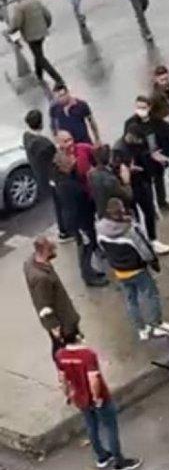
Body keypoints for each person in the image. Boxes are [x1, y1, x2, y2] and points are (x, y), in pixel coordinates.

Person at [55, 329, 141, 470]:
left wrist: (68, 394)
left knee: (91, 426)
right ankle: (119, 462)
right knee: (110, 427)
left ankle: (102, 456)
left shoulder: (60, 355)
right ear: (77, 337)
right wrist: (97, 398)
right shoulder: (88, 355)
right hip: (98, 398)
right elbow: (93, 379)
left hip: (80, 397)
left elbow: (62, 378)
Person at [97, 198, 169, 341]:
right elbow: (143, 249)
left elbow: (103, 248)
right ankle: (157, 324)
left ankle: (141, 329)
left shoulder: (100, 229)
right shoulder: (129, 229)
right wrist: (153, 261)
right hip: (137, 269)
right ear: (121, 210)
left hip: (120, 271)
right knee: (151, 295)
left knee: (130, 300)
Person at [53, 132, 107, 287]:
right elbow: (79, 196)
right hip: (78, 221)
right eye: (70, 162)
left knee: (89, 240)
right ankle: (88, 275)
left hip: (84, 215)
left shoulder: (68, 177)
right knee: (84, 247)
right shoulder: (67, 185)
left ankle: (91, 268)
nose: (73, 160)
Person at [111, 123, 169, 254]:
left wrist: (156, 161)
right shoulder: (118, 149)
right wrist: (127, 170)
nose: (140, 142)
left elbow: (147, 155)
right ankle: (139, 243)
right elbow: (115, 170)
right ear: (130, 136)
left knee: (149, 211)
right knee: (134, 217)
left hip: (143, 182)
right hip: (130, 187)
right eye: (138, 139)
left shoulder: (140, 143)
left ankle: (153, 239)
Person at [24, 236, 80, 355]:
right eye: (51, 249)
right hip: (63, 320)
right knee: (65, 347)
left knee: (61, 346)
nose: (54, 250)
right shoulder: (41, 278)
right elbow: (43, 304)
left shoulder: (31, 262)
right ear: (44, 251)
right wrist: (54, 326)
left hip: (61, 311)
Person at [124, 94, 169, 214]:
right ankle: (151, 208)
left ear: (149, 107)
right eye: (138, 107)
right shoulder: (130, 123)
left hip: (157, 156)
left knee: (159, 179)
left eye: (143, 107)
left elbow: (166, 134)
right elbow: (128, 142)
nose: (140, 110)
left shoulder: (156, 121)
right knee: (146, 185)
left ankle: (162, 202)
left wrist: (167, 155)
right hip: (141, 158)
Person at [23, 108, 68, 239]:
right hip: (54, 177)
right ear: (41, 123)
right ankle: (65, 230)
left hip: (41, 176)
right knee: (62, 204)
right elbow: (57, 159)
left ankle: (63, 230)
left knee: (57, 204)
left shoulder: (27, 137)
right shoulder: (45, 144)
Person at [8, 0, 63, 85]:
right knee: (38, 54)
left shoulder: (19, 7)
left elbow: (17, 23)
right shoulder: (36, 1)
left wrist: (11, 32)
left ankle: (57, 78)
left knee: (40, 57)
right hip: (42, 32)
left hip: (31, 36)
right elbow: (47, 15)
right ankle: (39, 76)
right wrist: (46, 25)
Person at [89, 144, 133, 219]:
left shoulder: (92, 174)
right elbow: (128, 196)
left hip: (102, 215)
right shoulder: (111, 180)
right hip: (115, 218)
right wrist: (127, 181)